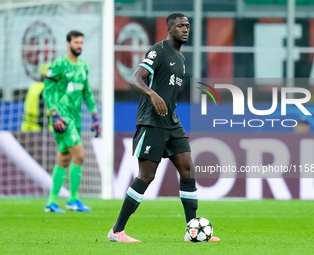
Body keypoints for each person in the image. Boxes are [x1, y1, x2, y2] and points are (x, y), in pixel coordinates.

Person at [107, 13, 220, 243]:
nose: (185, 29)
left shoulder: (181, 58)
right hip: (152, 121)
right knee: (146, 176)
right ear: (169, 29)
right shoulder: (158, 51)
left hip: (172, 122)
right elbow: (135, 78)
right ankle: (116, 231)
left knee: (188, 169)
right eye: (180, 26)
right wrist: (152, 94)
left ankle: (192, 231)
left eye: (187, 26)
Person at [42, 30, 101, 213]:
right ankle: (73, 199)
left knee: (65, 157)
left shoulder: (83, 66)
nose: (79, 46)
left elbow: (87, 93)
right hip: (61, 118)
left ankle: (51, 202)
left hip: (76, 118)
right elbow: (47, 90)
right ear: (68, 43)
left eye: (81, 43)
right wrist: (54, 113)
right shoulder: (59, 64)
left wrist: (95, 117)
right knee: (80, 154)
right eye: (76, 42)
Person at [21, 62, 51, 132]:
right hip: (39, 131)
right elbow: (42, 115)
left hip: (28, 128)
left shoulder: (34, 86)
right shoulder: (45, 89)